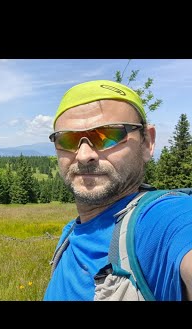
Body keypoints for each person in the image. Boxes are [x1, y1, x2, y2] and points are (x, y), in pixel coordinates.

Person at [43, 79, 192, 301]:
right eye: (68, 139)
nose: (84, 155)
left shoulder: (162, 220)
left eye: (108, 135)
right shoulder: (70, 234)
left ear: (147, 143)